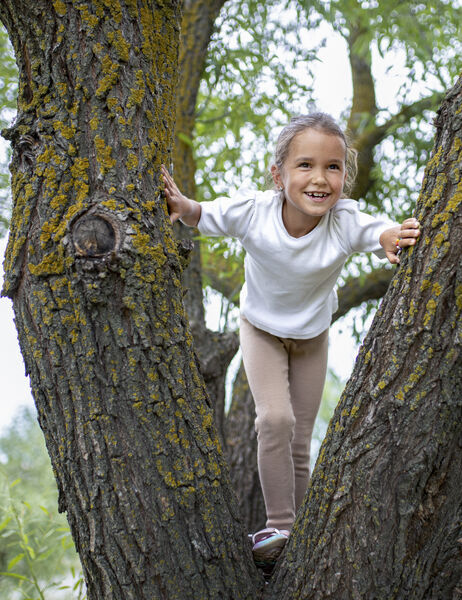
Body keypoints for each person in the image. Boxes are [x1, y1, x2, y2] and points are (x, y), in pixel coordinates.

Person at [161, 112, 420, 566]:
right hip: (260, 329)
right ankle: (279, 524)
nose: (320, 178)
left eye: (333, 167)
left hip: (312, 338)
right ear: (279, 175)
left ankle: (300, 532)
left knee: (300, 439)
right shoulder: (255, 211)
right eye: (305, 165)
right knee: (275, 421)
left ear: (345, 176)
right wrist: (183, 206)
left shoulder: (342, 219)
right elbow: (204, 215)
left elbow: (374, 229)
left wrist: (392, 236)